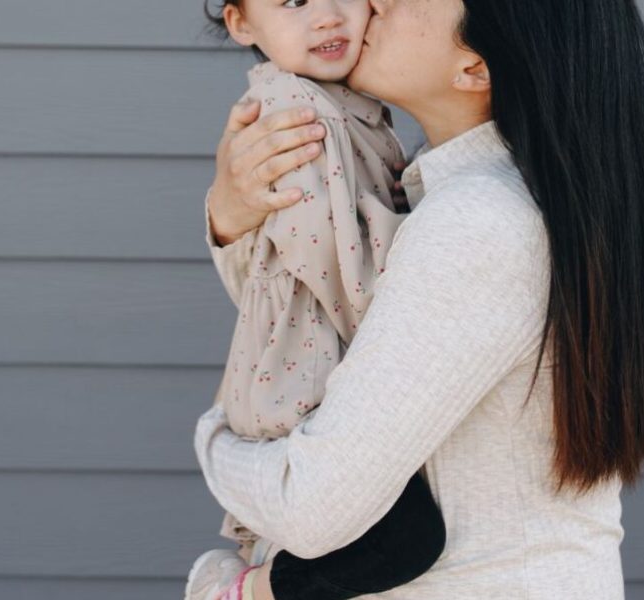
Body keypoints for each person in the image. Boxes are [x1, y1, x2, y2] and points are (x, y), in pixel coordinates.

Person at [196, 0, 644, 597]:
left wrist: (215, 436)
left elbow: (311, 504)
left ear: (474, 69)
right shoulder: (460, 195)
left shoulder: (477, 222)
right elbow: (305, 324)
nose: (370, 3)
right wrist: (232, 215)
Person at [184, 1, 447, 599]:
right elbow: (331, 261)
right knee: (401, 539)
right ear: (242, 23)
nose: (327, 16)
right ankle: (238, 591)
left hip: (309, 366)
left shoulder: (346, 104)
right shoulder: (297, 114)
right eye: (294, 1)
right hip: (302, 377)